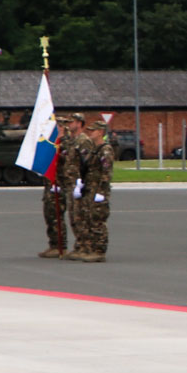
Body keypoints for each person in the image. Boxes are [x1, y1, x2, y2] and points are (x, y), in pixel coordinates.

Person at [66, 116, 114, 262]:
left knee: (97, 220)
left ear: (100, 132)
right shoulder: (94, 150)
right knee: (89, 218)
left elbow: (106, 172)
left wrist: (101, 192)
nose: (90, 133)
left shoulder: (105, 150)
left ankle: (99, 251)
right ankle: (89, 248)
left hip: (98, 190)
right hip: (89, 188)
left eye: (93, 131)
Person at [39, 110, 76, 259]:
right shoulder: (52, 142)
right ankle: (54, 244)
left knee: (57, 215)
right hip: (51, 183)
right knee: (50, 213)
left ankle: (61, 246)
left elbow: (68, 163)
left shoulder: (66, 143)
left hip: (60, 183)